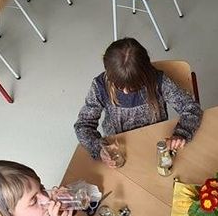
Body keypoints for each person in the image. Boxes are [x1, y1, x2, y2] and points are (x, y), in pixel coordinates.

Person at [74, 37, 203, 167]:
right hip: (119, 149)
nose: (125, 92)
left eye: (133, 87)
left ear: (146, 74)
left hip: (155, 143)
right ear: (108, 73)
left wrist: (181, 133)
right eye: (119, 86)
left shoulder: (158, 81)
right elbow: (83, 125)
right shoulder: (100, 86)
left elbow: (191, 108)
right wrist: (99, 149)